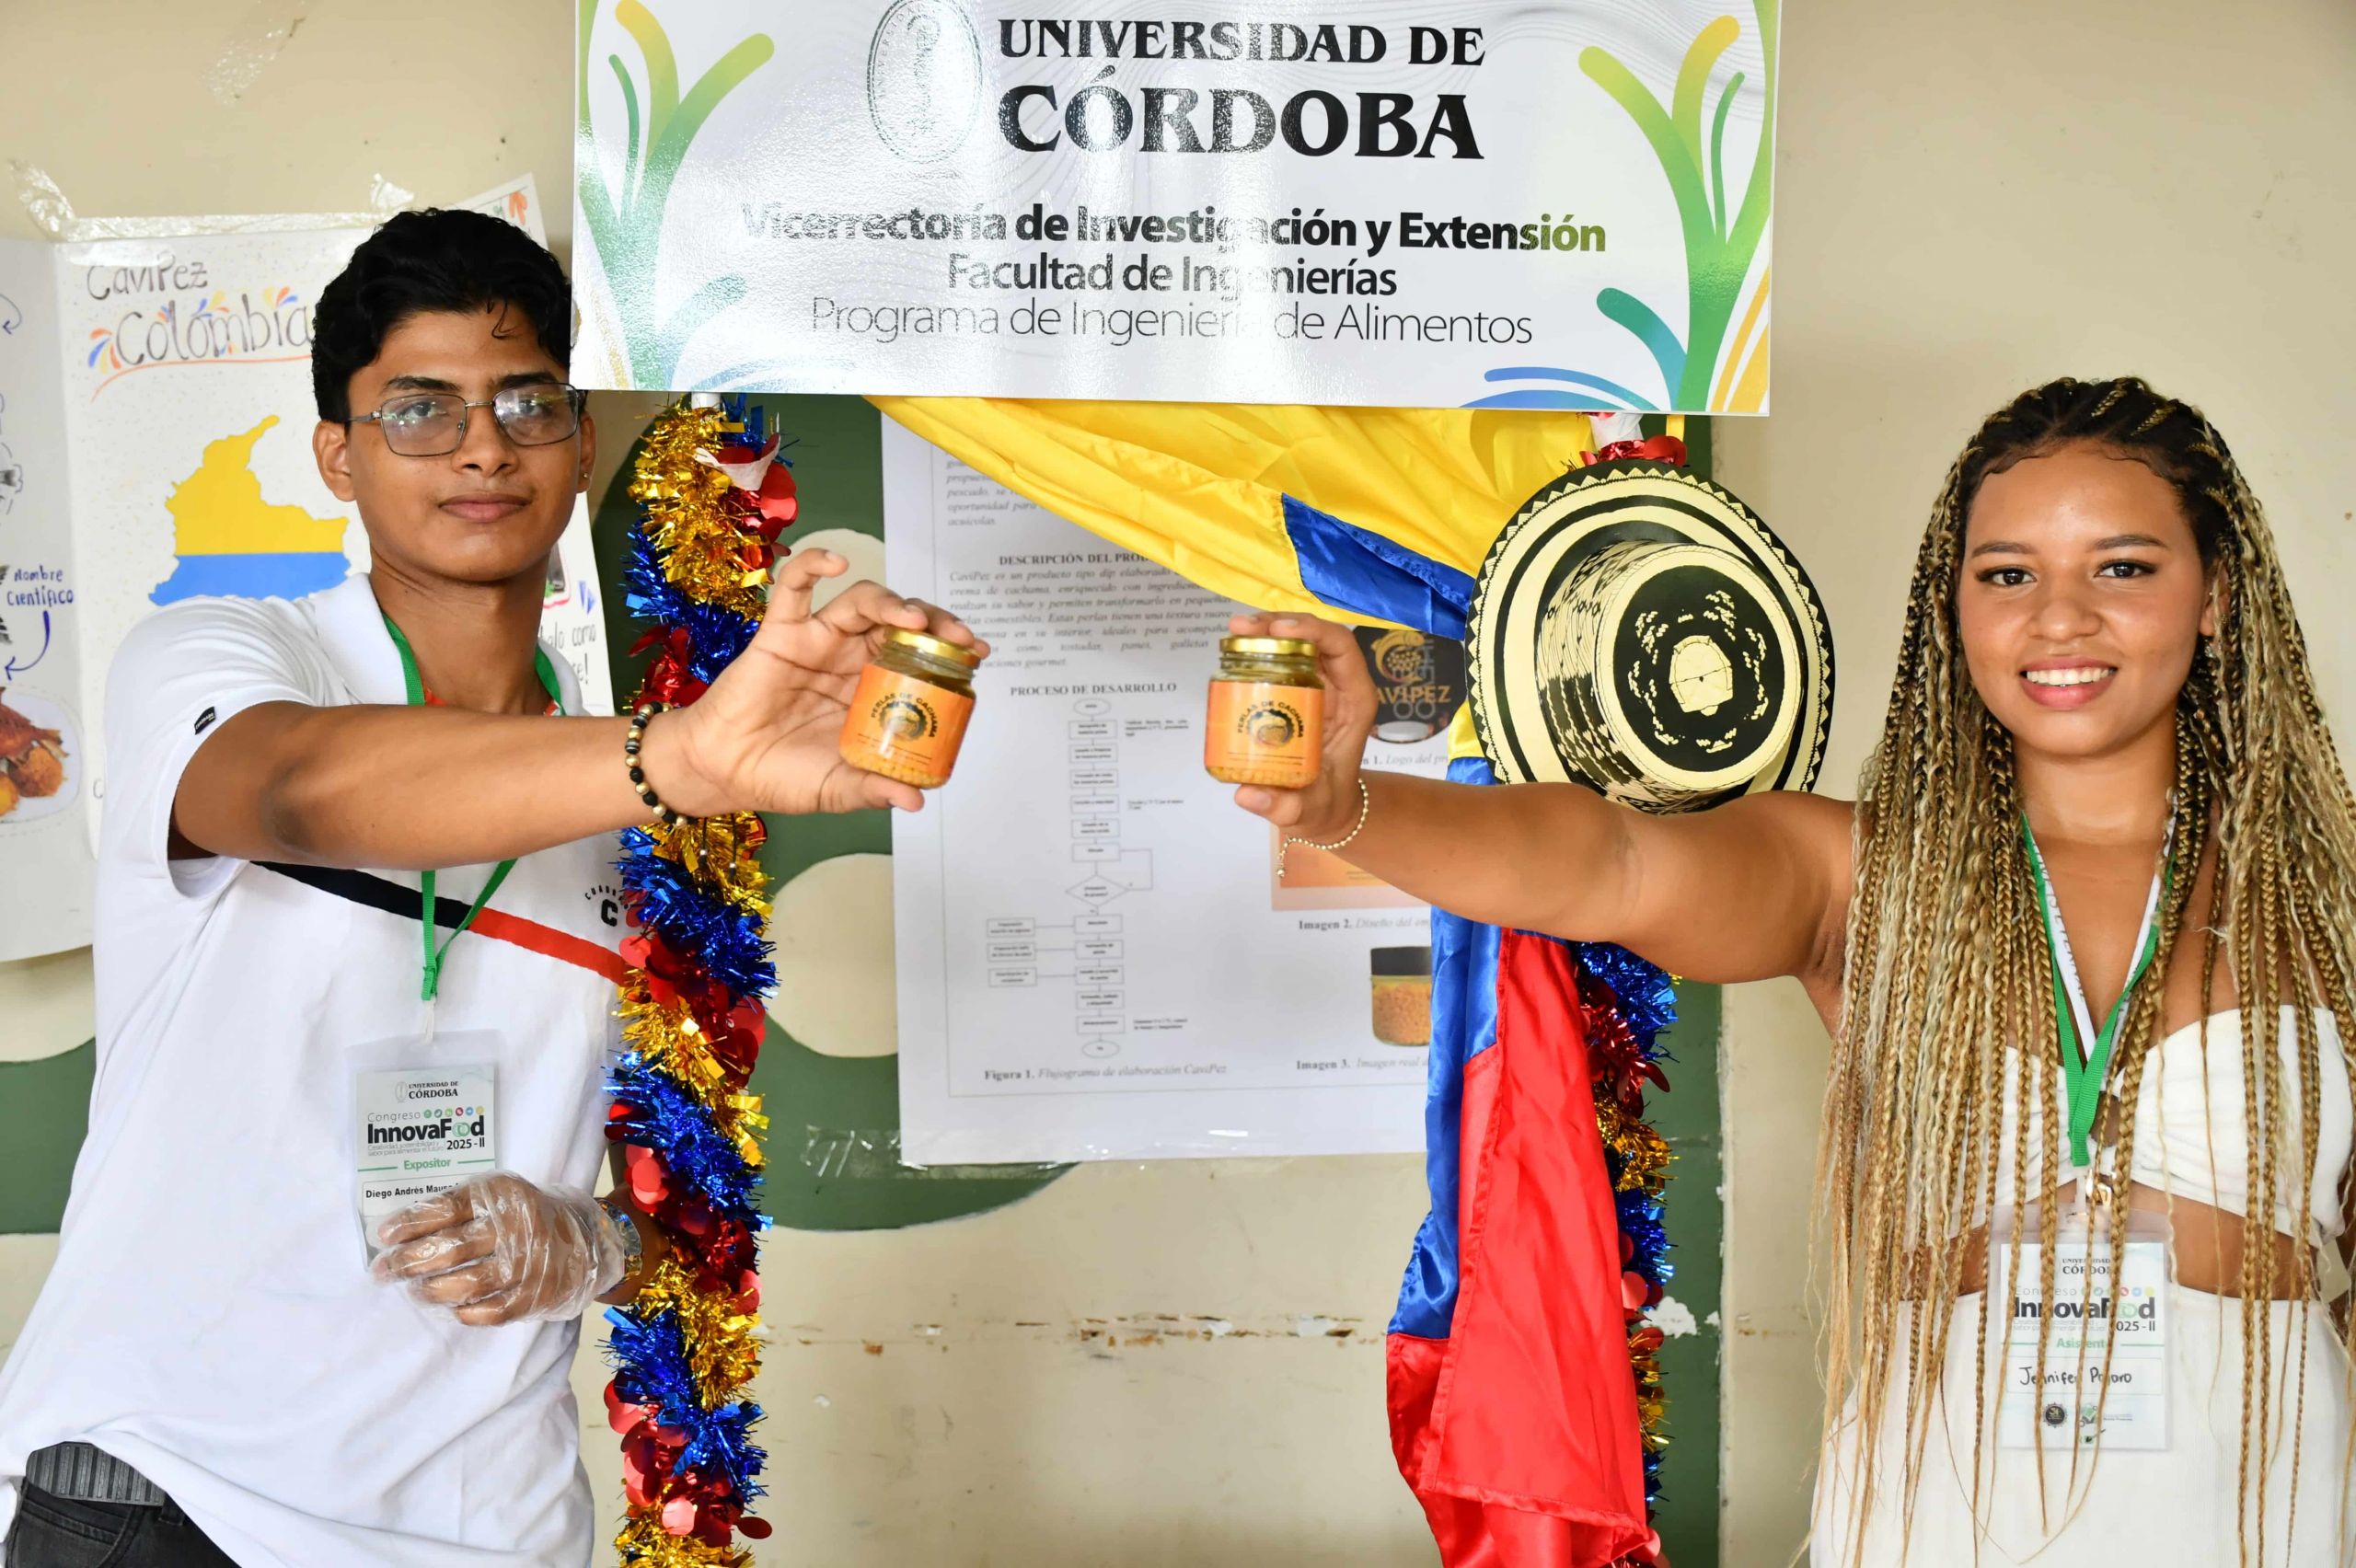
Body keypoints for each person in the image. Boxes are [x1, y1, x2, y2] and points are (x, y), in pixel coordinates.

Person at [1227, 376, 2356, 1564]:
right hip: (1941, 1507)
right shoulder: (1855, 873)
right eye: (2007, 574)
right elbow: (1609, 862)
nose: (2057, 619)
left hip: (2258, 1497)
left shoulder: (2325, 893)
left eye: (2120, 568)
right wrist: (1349, 805)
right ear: (1953, 604)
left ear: (2217, 592)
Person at [0, 209, 978, 1566]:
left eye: (528, 403)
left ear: (580, 445)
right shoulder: (224, 655)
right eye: (419, 410)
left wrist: (584, 1242)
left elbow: (664, 1203)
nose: (481, 445)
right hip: (173, 1492)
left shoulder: (650, 795)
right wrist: (679, 752)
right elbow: (295, 791)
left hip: (485, 1528)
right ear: (336, 455)